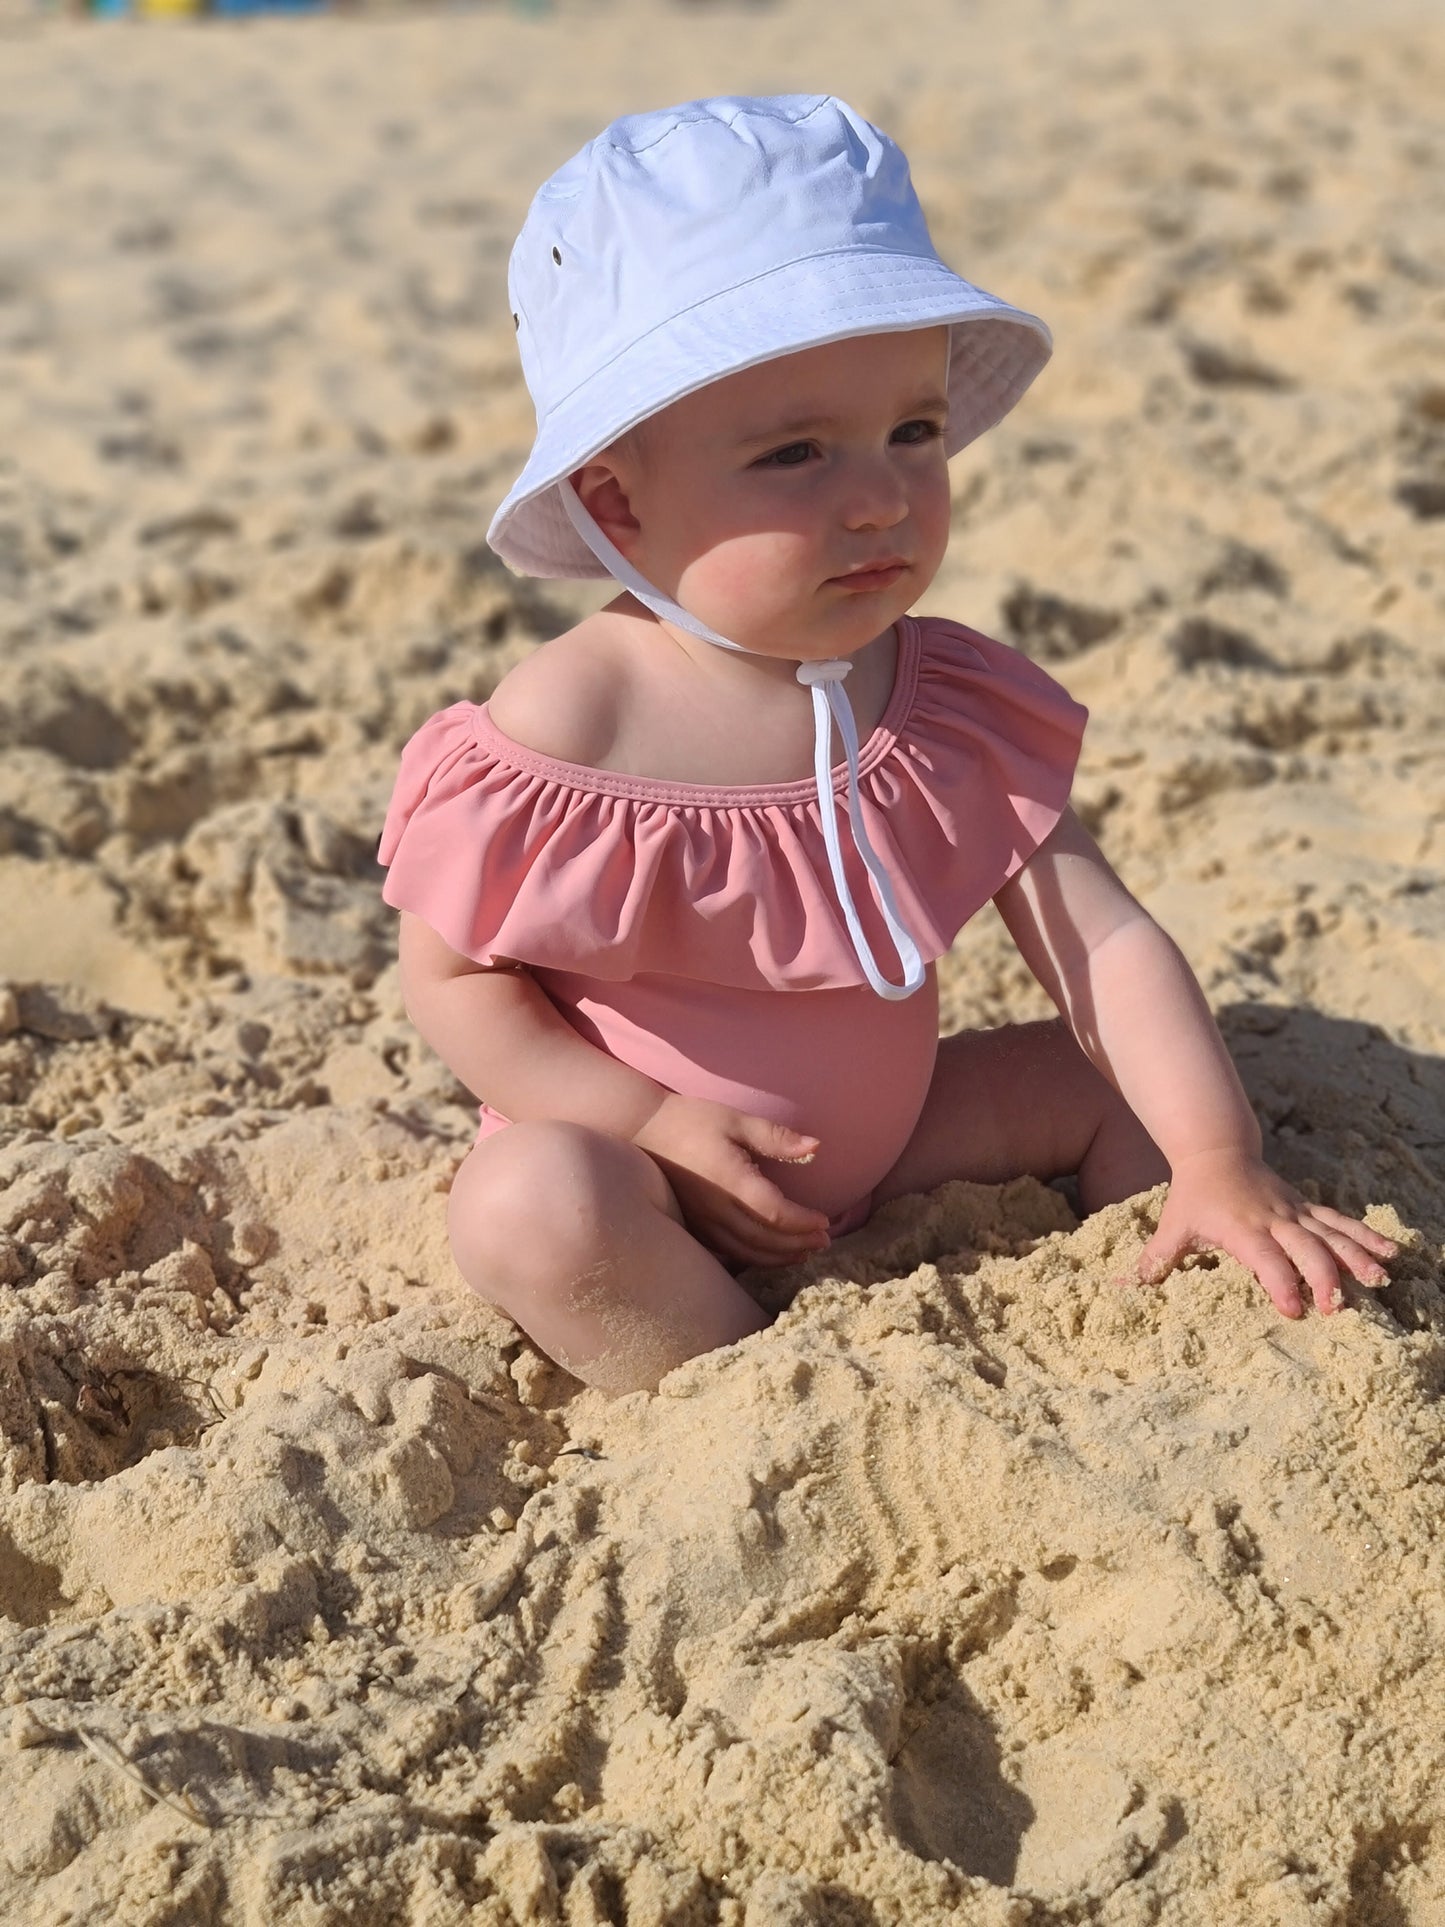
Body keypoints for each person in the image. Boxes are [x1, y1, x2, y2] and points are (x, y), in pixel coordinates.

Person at [379, 95, 1396, 1395]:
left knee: (1152, 1082)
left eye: (912, 432)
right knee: (529, 1206)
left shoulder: (936, 694)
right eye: (794, 453)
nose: (879, 497)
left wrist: (1215, 1159)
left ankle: (1181, 1324)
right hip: (656, 1173)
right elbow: (459, 985)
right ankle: (736, 1392)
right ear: (619, 501)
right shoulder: (572, 721)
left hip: (897, 1138)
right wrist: (649, 1122)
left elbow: (1102, 940)